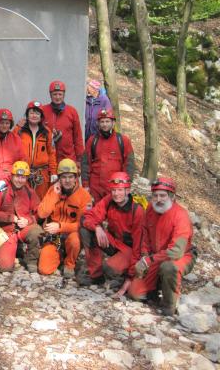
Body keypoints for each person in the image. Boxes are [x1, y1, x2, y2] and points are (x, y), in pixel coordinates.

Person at [126, 177, 195, 316]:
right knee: (135, 293)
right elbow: (145, 233)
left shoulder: (181, 216)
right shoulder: (151, 209)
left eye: (163, 195)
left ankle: (169, 304)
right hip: (156, 256)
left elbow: (176, 252)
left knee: (169, 267)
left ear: (172, 196)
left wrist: (148, 261)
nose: (159, 199)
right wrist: (145, 255)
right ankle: (155, 287)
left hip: (181, 256)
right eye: (155, 195)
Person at [78, 172, 144, 287]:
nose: (116, 194)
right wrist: (97, 227)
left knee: (108, 269)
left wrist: (131, 276)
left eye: (120, 190)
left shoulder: (137, 211)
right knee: (86, 231)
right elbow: (87, 217)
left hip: (129, 250)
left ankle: (122, 276)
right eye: (113, 190)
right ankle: (95, 275)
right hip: (113, 242)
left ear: (127, 191)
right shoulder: (109, 201)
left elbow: (138, 247)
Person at [37, 158, 92, 277]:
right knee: (44, 269)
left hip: (71, 234)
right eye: (63, 177)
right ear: (59, 178)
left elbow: (83, 225)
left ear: (76, 177)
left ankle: (70, 263)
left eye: (71, 177)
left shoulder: (84, 196)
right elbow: (41, 214)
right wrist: (55, 196)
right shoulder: (53, 190)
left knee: (75, 240)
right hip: (54, 237)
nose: (67, 180)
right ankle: (59, 255)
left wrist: (61, 227)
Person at [0, 161, 43, 272]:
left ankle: (31, 260)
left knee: (37, 232)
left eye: (23, 177)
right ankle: (3, 251)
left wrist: (29, 220)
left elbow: (39, 213)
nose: (19, 180)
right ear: (12, 176)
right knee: (4, 268)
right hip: (6, 231)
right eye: (17, 176)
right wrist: (11, 218)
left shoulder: (30, 192)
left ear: (26, 178)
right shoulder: (2, 191)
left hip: (23, 229)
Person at [82, 109, 135, 203]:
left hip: (115, 187)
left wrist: (127, 185)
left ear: (113, 123)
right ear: (98, 123)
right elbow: (86, 164)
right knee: (95, 214)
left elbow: (129, 165)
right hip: (95, 188)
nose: (104, 124)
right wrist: (85, 185)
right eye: (102, 121)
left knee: (114, 214)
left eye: (107, 121)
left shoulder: (123, 141)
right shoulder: (92, 141)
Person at [16, 101, 58, 201]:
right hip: (22, 173)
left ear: (41, 116)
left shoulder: (47, 132)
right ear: (27, 115)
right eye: (31, 113)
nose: (34, 116)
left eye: (37, 113)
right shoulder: (19, 130)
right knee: (22, 200)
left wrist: (53, 172)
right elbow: (12, 151)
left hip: (41, 175)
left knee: (40, 201)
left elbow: (52, 153)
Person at [41, 81, 84, 165]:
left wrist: (79, 159)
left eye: (60, 94)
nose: (57, 97)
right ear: (50, 95)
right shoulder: (43, 111)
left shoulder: (72, 111)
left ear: (64, 95)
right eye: (55, 94)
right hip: (47, 158)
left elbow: (77, 137)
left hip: (68, 157)